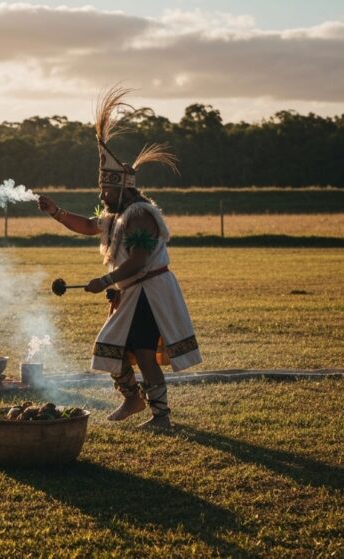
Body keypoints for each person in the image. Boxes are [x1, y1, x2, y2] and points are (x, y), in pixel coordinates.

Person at [36, 87, 202, 428]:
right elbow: (86, 225)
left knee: (141, 352)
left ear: (123, 189)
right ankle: (133, 399)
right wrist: (56, 211)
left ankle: (161, 416)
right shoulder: (115, 215)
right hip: (132, 293)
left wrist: (106, 281)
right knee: (112, 347)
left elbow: (140, 260)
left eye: (106, 190)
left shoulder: (139, 214)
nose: (101, 194)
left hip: (149, 294)